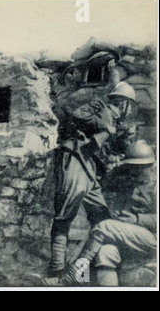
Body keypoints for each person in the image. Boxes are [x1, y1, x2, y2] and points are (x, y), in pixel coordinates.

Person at [48, 81, 138, 277]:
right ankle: (56, 271)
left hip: (90, 168)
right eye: (129, 106)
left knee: (103, 219)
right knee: (65, 213)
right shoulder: (99, 106)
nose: (128, 111)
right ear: (123, 104)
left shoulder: (116, 124)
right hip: (74, 159)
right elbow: (79, 115)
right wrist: (105, 125)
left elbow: (109, 149)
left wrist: (122, 140)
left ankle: (77, 271)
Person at [44, 140, 156, 286]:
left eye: (137, 168)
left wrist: (136, 219)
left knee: (104, 227)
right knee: (105, 252)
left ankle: (69, 277)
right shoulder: (131, 181)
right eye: (130, 167)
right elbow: (105, 183)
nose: (132, 172)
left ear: (149, 165)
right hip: (133, 238)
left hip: (152, 238)